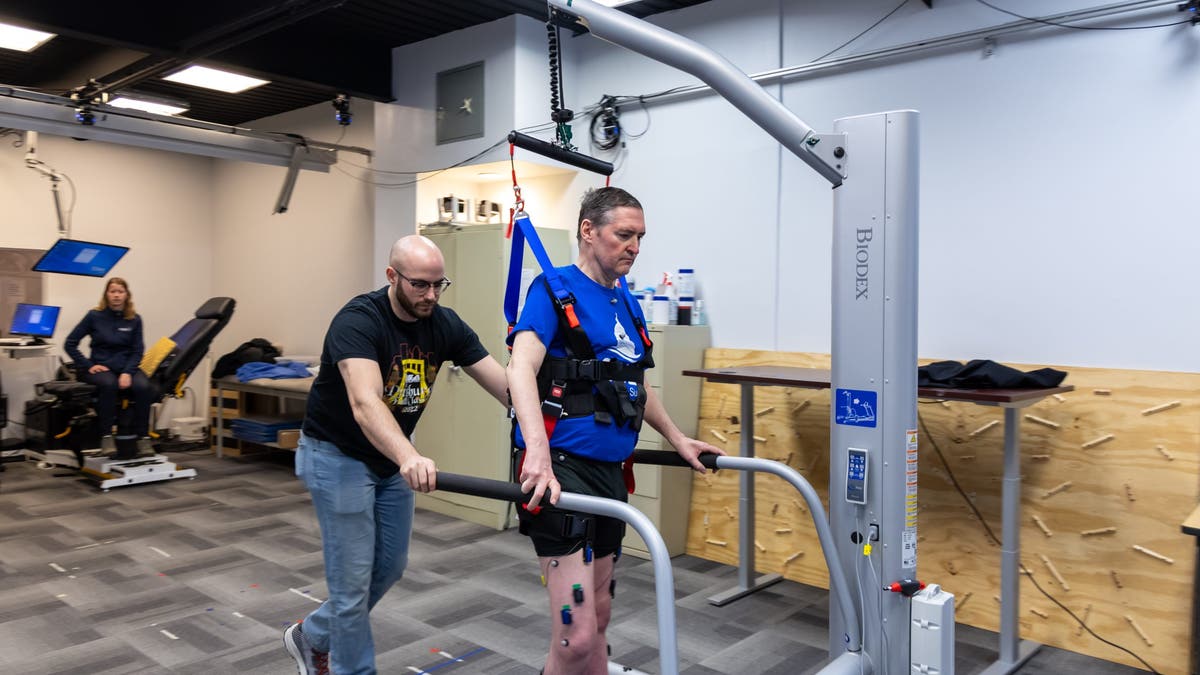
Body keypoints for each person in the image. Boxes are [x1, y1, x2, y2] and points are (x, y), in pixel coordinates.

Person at [507, 187, 724, 675]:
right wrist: (536, 454)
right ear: (588, 231)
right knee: (575, 636)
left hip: (610, 475)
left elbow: (635, 388)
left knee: (599, 620)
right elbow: (520, 368)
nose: (635, 247)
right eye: (624, 235)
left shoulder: (625, 300)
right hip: (562, 474)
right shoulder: (552, 289)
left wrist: (678, 438)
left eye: (640, 237)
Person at [284, 235, 509, 675]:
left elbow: (500, 382)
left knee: (389, 568)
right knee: (350, 588)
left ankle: (312, 635)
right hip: (337, 456)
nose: (430, 295)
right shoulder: (358, 320)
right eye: (420, 285)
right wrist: (409, 456)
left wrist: (542, 424)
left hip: (388, 463)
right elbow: (366, 403)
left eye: (438, 285)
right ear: (392, 276)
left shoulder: (444, 324)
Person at [63, 277, 154, 457]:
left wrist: (128, 372)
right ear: (106, 294)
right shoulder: (94, 316)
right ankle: (106, 437)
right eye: (112, 291)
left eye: (120, 291)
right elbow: (70, 343)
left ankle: (143, 438)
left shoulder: (135, 319)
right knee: (109, 384)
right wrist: (88, 365)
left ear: (126, 295)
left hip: (127, 366)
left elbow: (138, 350)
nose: (116, 295)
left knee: (144, 387)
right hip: (102, 367)